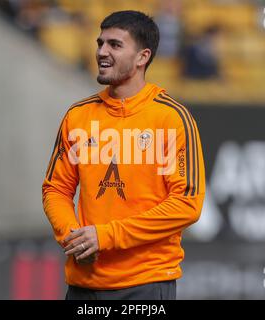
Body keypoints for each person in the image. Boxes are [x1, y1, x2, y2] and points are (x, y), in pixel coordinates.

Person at [42, 10, 205, 300]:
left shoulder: (171, 118)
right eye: (100, 43)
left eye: (115, 45)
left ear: (143, 57)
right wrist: (76, 238)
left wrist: (104, 237)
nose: (102, 52)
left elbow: (186, 203)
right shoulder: (78, 116)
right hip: (83, 286)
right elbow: (56, 189)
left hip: (146, 284)